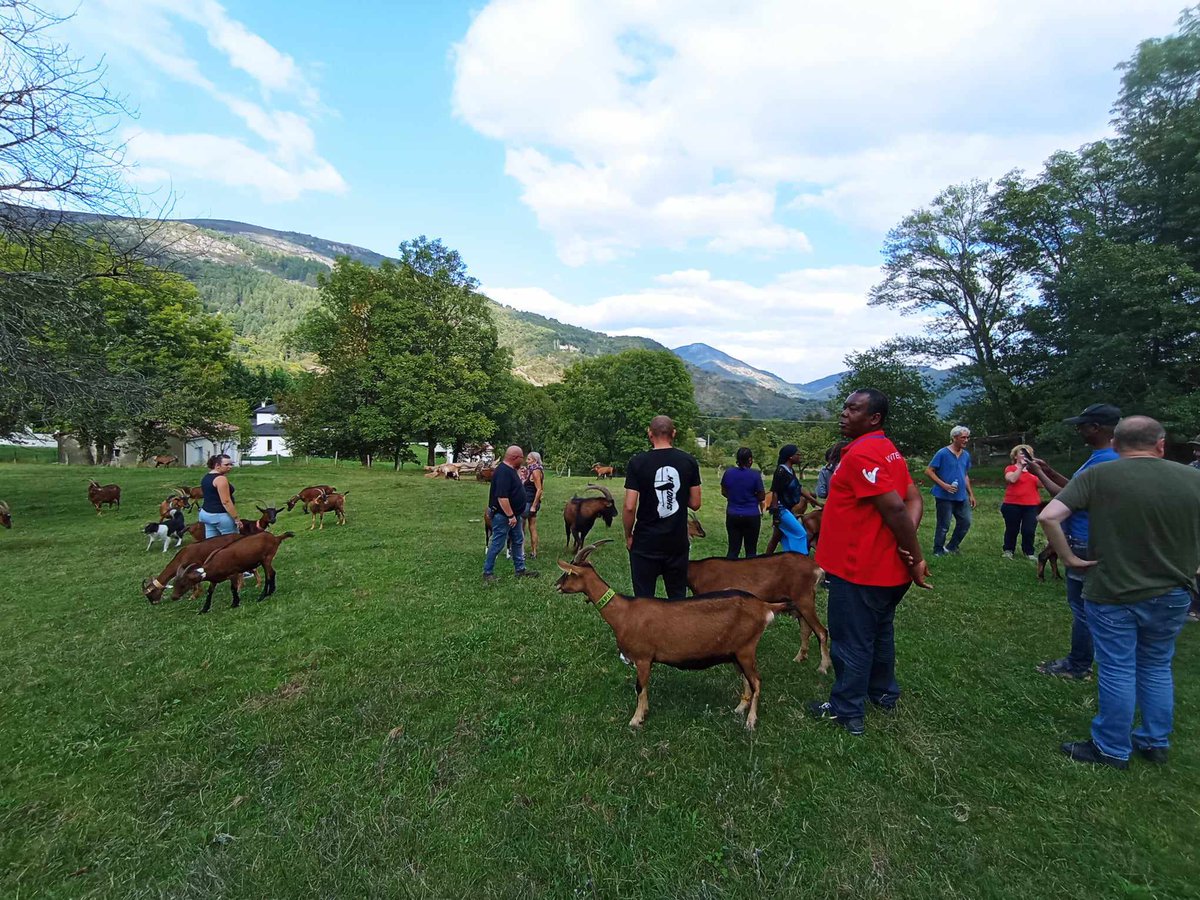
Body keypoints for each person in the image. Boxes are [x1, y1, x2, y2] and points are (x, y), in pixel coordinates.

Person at [1039, 416, 1200, 769]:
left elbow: (1049, 516)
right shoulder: (1193, 477)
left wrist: (1069, 558)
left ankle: (1111, 748)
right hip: (1173, 591)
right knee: (1158, 665)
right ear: (1161, 444)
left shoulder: (1098, 476)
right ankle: (1155, 741)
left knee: (1117, 668)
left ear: (1114, 444)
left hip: (1112, 590)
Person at [807, 389, 930, 736]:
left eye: (853, 409)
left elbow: (896, 506)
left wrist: (916, 555)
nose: (844, 413)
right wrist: (904, 546)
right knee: (880, 632)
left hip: (860, 570)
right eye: (844, 407)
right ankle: (883, 693)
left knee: (851, 639)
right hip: (887, 570)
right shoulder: (887, 450)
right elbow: (913, 499)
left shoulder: (863, 454)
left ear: (874, 418)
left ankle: (848, 711)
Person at [1025, 403, 1120, 680]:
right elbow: (1075, 489)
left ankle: (1078, 665)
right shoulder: (1104, 456)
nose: (1078, 429)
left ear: (1097, 428)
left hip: (1084, 541)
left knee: (1082, 608)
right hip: (1092, 538)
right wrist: (1050, 470)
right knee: (1088, 606)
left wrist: (1038, 472)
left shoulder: (1105, 460)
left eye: (1082, 425)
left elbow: (1064, 498)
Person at [623, 415, 702, 598]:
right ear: (673, 433)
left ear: (650, 434)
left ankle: (646, 627)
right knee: (677, 597)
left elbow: (629, 507)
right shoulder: (688, 461)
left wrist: (628, 535)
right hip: (677, 541)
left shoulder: (637, 462)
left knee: (644, 600)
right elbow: (696, 503)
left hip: (645, 542)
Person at [483, 445, 540, 585]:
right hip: (504, 517)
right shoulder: (503, 472)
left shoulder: (511, 470)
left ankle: (520, 570)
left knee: (518, 540)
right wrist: (510, 516)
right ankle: (487, 573)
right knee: (497, 543)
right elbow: (502, 497)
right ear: (515, 458)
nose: (523, 460)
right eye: (521, 457)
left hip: (514, 515)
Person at [924, 425, 977, 556]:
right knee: (944, 525)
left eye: (967, 437)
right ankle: (938, 550)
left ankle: (952, 546)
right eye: (963, 437)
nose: (966, 440)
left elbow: (965, 474)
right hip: (944, 496)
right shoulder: (942, 453)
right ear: (954, 438)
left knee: (965, 522)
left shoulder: (966, 455)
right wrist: (944, 485)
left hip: (961, 496)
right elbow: (929, 471)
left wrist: (971, 494)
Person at [764, 445, 821, 555]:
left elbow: (799, 489)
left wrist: (817, 503)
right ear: (790, 457)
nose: (800, 456)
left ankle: (788, 560)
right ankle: (800, 558)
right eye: (797, 454)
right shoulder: (781, 471)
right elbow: (775, 492)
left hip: (787, 509)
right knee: (800, 533)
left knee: (784, 537)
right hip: (781, 509)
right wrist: (775, 514)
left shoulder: (790, 471)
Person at [1001, 443, 1045, 560]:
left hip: (1032, 505)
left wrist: (1039, 471)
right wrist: (1021, 467)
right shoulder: (1010, 468)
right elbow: (1012, 479)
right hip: (1012, 504)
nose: (1025, 455)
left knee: (1029, 530)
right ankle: (1008, 550)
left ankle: (1029, 552)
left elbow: (1041, 485)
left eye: (1028, 453)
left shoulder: (1034, 471)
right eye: (1022, 453)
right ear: (1015, 456)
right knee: (1012, 529)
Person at [721, 447, 765, 558]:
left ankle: (730, 573)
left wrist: (733, 497)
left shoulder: (729, 473)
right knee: (751, 550)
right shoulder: (755, 475)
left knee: (733, 549)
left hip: (733, 514)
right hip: (751, 515)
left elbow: (724, 491)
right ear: (750, 460)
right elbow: (761, 496)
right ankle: (750, 574)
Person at [199, 453, 240, 538]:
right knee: (231, 542)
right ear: (217, 465)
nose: (230, 467)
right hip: (219, 516)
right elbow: (226, 501)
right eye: (226, 464)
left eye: (231, 464)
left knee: (212, 543)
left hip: (205, 513)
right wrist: (236, 518)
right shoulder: (221, 479)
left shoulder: (206, 477)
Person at [522, 451, 545, 559]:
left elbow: (539, 489)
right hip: (531, 502)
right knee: (532, 526)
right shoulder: (537, 470)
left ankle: (520, 551)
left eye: (529, 459)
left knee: (521, 527)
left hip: (528, 502)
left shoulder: (535, 471)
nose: (527, 461)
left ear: (535, 460)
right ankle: (534, 552)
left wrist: (533, 505)